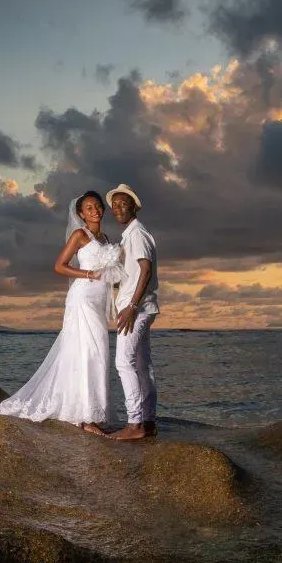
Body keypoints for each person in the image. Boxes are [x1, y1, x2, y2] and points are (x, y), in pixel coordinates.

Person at [0, 191, 124, 435]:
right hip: (83, 298)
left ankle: (92, 411)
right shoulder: (79, 235)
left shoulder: (106, 238)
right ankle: (86, 419)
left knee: (99, 354)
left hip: (99, 299)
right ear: (81, 214)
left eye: (97, 206)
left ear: (102, 210)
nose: (94, 210)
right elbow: (59, 266)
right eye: (88, 208)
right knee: (88, 353)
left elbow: (110, 273)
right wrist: (88, 274)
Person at [105, 183, 160, 441]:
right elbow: (134, 273)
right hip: (141, 306)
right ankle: (148, 421)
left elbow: (146, 269)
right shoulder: (131, 234)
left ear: (134, 206)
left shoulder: (137, 234)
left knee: (123, 363)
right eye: (114, 205)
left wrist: (132, 307)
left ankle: (135, 423)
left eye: (123, 203)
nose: (117, 208)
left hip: (136, 308)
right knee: (141, 363)